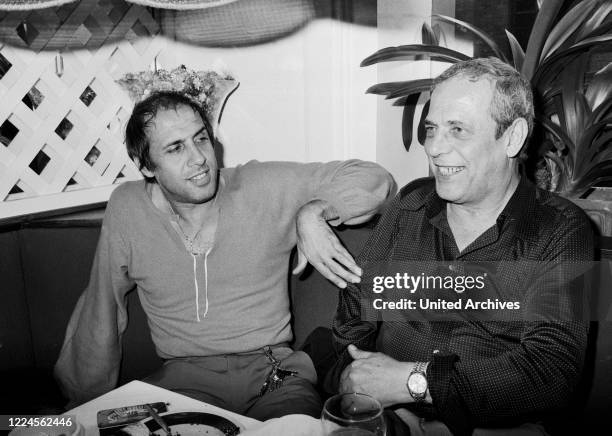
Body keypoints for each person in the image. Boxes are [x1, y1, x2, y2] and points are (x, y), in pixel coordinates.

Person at [54, 91, 394, 420]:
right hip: (181, 385)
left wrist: (314, 212)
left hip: (273, 376)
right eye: (176, 148)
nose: (199, 158)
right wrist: (82, 404)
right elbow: (103, 305)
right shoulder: (128, 208)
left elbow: (376, 178)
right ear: (146, 166)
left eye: (201, 139)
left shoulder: (262, 185)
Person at [325, 57, 594, 435]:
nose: (434, 148)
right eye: (432, 129)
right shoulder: (410, 205)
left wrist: (412, 381)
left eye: (458, 130)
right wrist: (358, 381)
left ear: (513, 137)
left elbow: (551, 370)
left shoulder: (561, 232)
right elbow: (356, 309)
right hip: (388, 417)